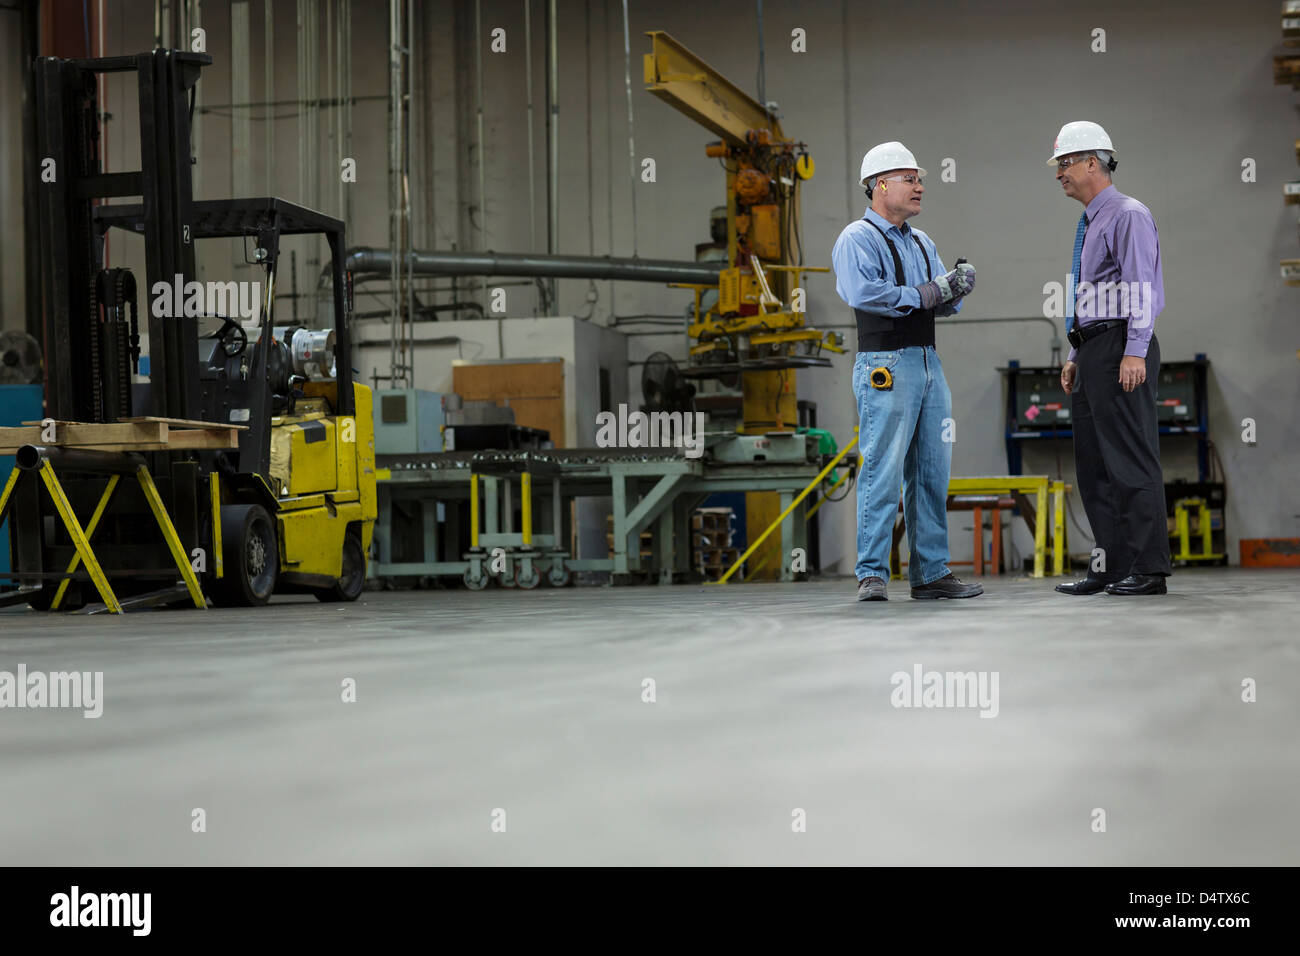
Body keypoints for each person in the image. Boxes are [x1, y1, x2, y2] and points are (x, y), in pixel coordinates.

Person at [831, 141, 982, 601]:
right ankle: (872, 573)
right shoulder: (856, 238)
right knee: (881, 469)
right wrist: (929, 293)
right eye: (909, 178)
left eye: (919, 179)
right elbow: (865, 294)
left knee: (932, 472)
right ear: (880, 185)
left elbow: (941, 301)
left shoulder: (922, 241)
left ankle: (930, 573)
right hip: (886, 365)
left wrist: (956, 288)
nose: (919, 187)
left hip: (927, 361)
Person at [1048, 121, 1172, 596]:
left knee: (1130, 459)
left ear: (1092, 162)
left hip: (1123, 345)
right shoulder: (1093, 220)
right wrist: (1077, 351)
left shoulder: (1127, 214)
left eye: (1065, 163)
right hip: (1096, 349)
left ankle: (1148, 569)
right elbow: (1095, 292)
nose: (1059, 173)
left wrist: (1135, 350)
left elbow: (1142, 286)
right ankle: (1112, 564)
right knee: (1094, 464)